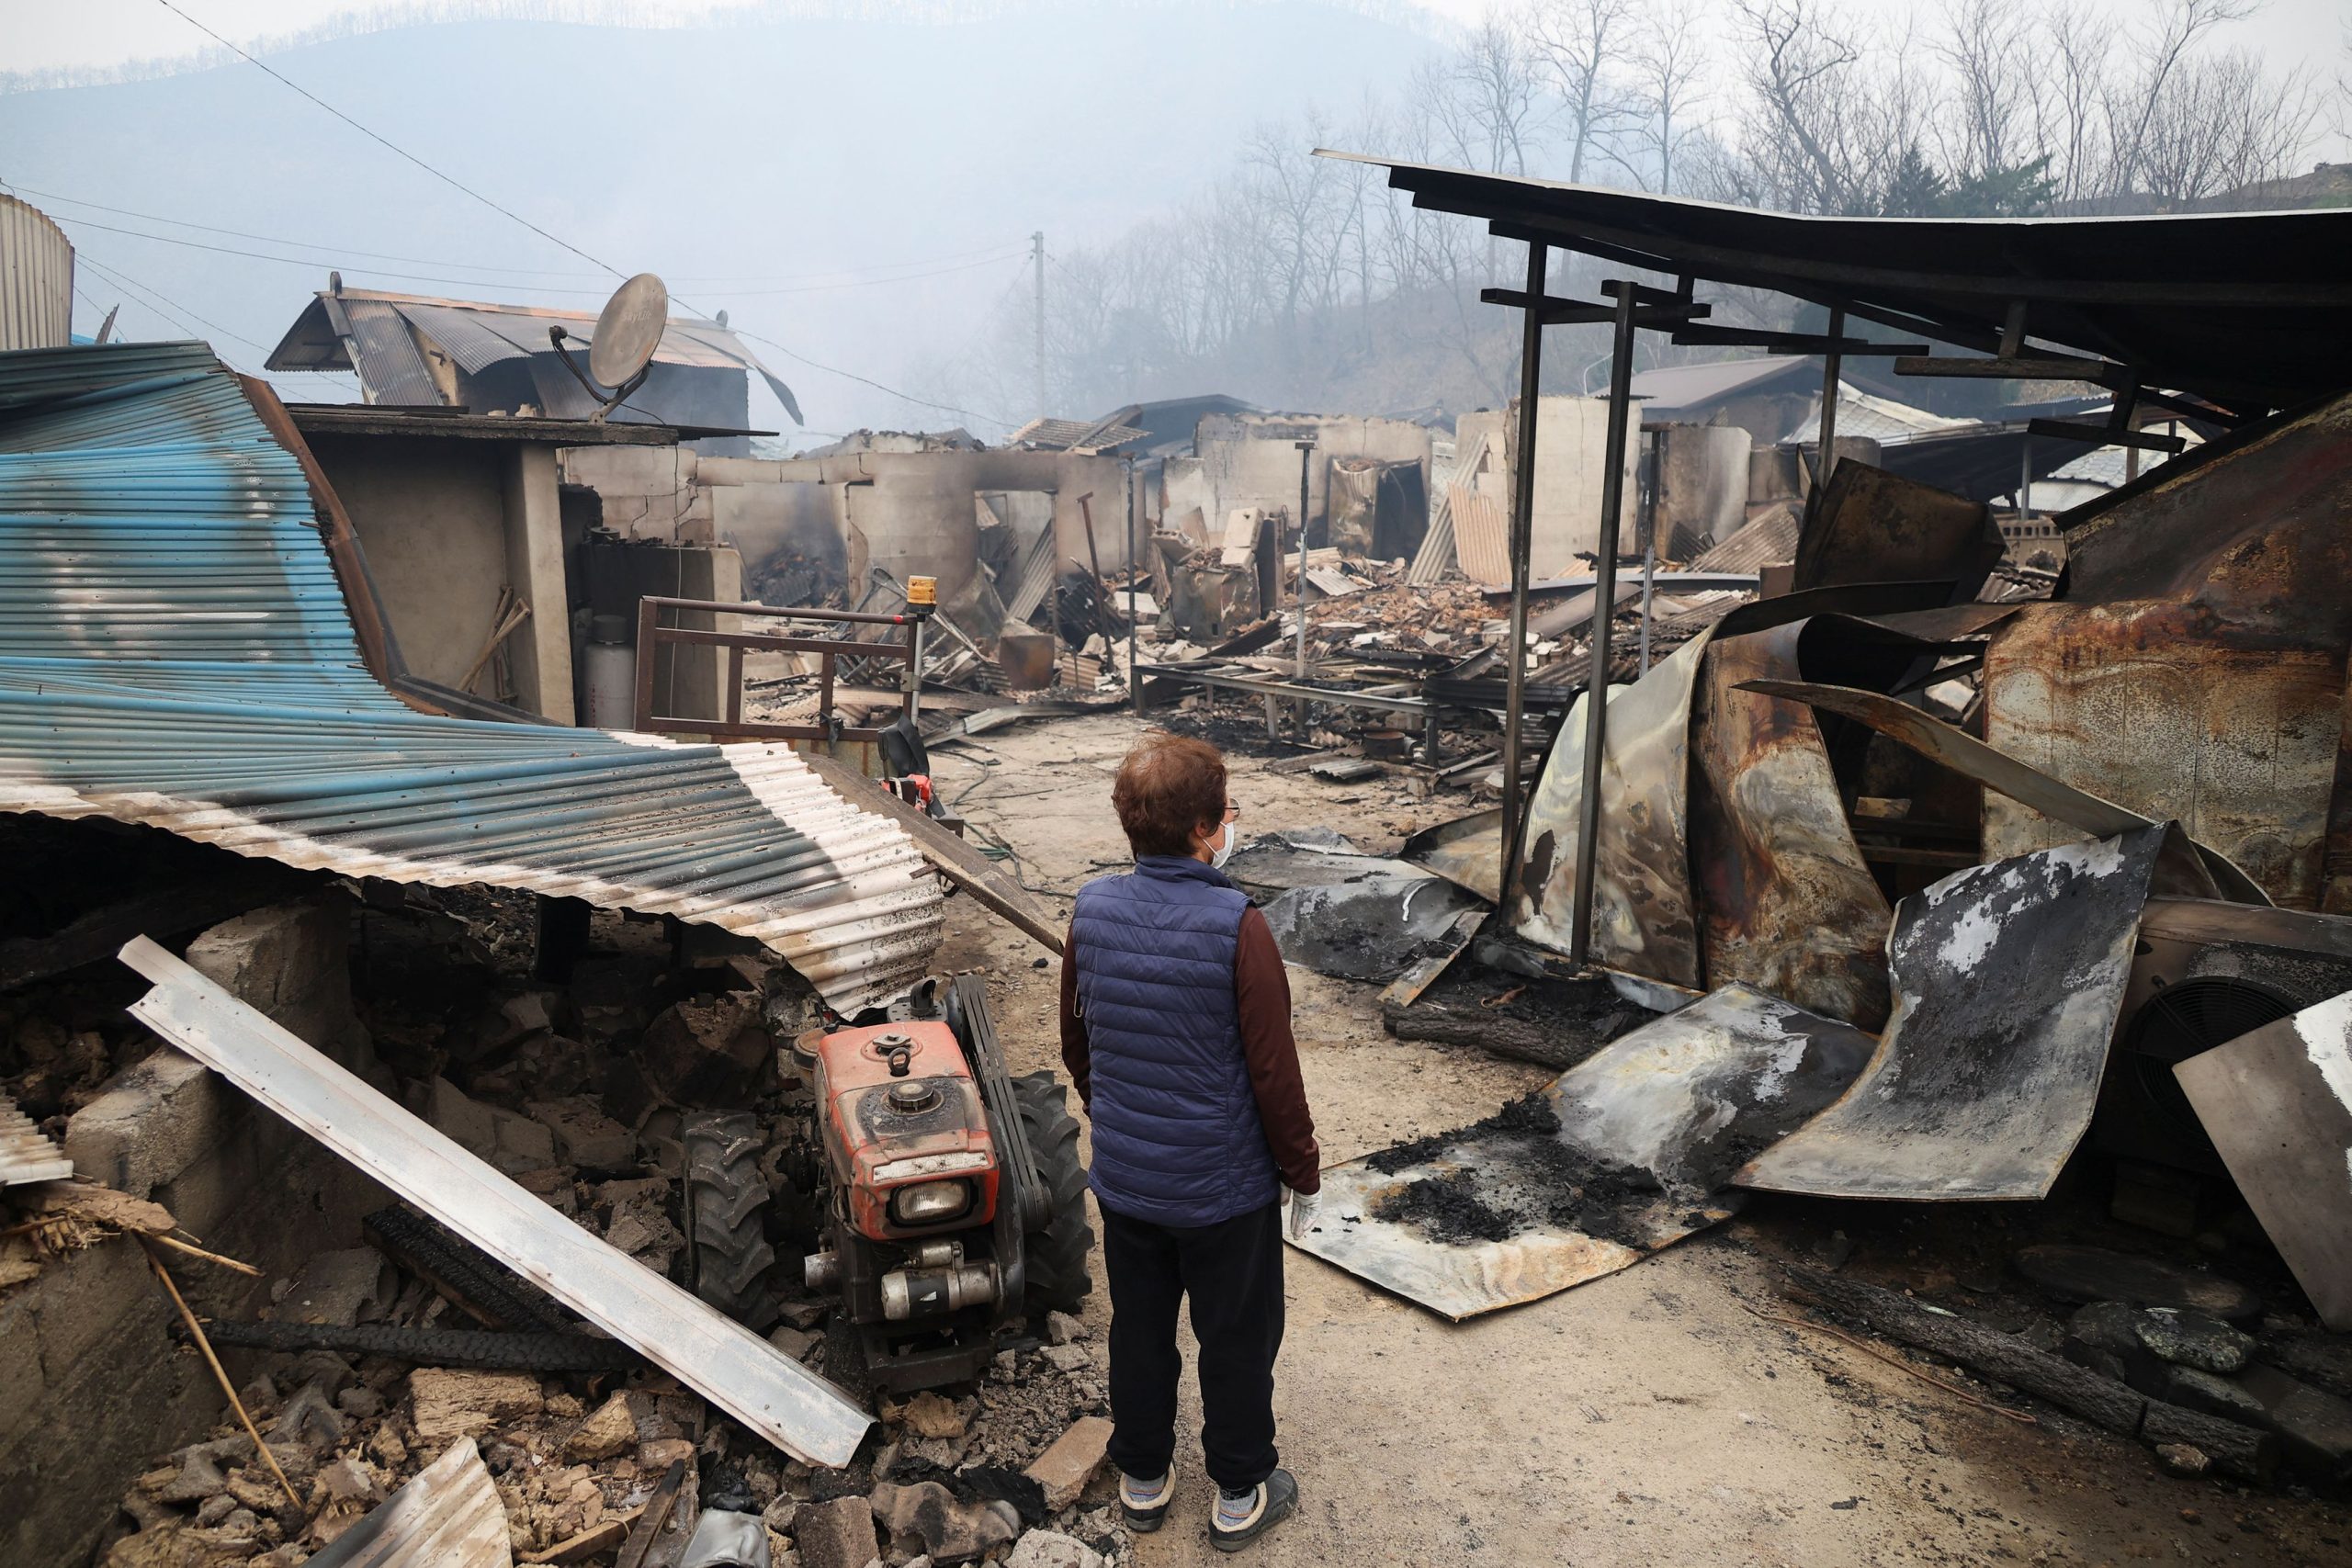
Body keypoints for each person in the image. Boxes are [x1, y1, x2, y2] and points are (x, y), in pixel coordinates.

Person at [1059, 730, 1320, 1553]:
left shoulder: (1091, 911)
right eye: (1227, 811)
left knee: (1139, 1330)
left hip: (1129, 1184)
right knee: (1236, 1337)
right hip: (1223, 1194)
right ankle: (1239, 1490)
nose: (1231, 823)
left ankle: (1143, 1477)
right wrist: (1301, 1168)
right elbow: (1273, 1072)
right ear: (1205, 828)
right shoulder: (1239, 926)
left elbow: (1077, 1041)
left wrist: (1122, 1119)